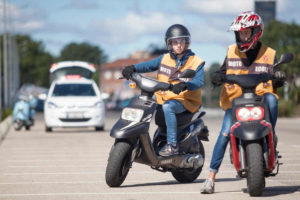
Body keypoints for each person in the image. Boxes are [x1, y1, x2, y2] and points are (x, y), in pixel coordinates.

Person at [200, 11, 286, 194]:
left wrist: (278, 77)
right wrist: (217, 77)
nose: (243, 36)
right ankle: (210, 178)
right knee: (224, 133)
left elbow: (277, 75)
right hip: (236, 102)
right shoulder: (231, 51)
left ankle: (271, 134)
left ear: (256, 32)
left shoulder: (269, 54)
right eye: (240, 33)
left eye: (247, 32)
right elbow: (222, 71)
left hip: (261, 100)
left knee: (272, 99)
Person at [122, 24, 205, 156]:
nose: (179, 45)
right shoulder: (164, 58)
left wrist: (185, 85)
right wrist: (132, 68)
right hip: (164, 97)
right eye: (175, 42)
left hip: (185, 101)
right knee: (142, 104)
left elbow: (199, 82)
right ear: (169, 43)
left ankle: (172, 145)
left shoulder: (195, 61)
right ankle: (138, 139)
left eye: (182, 41)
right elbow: (148, 65)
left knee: (168, 107)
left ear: (187, 42)